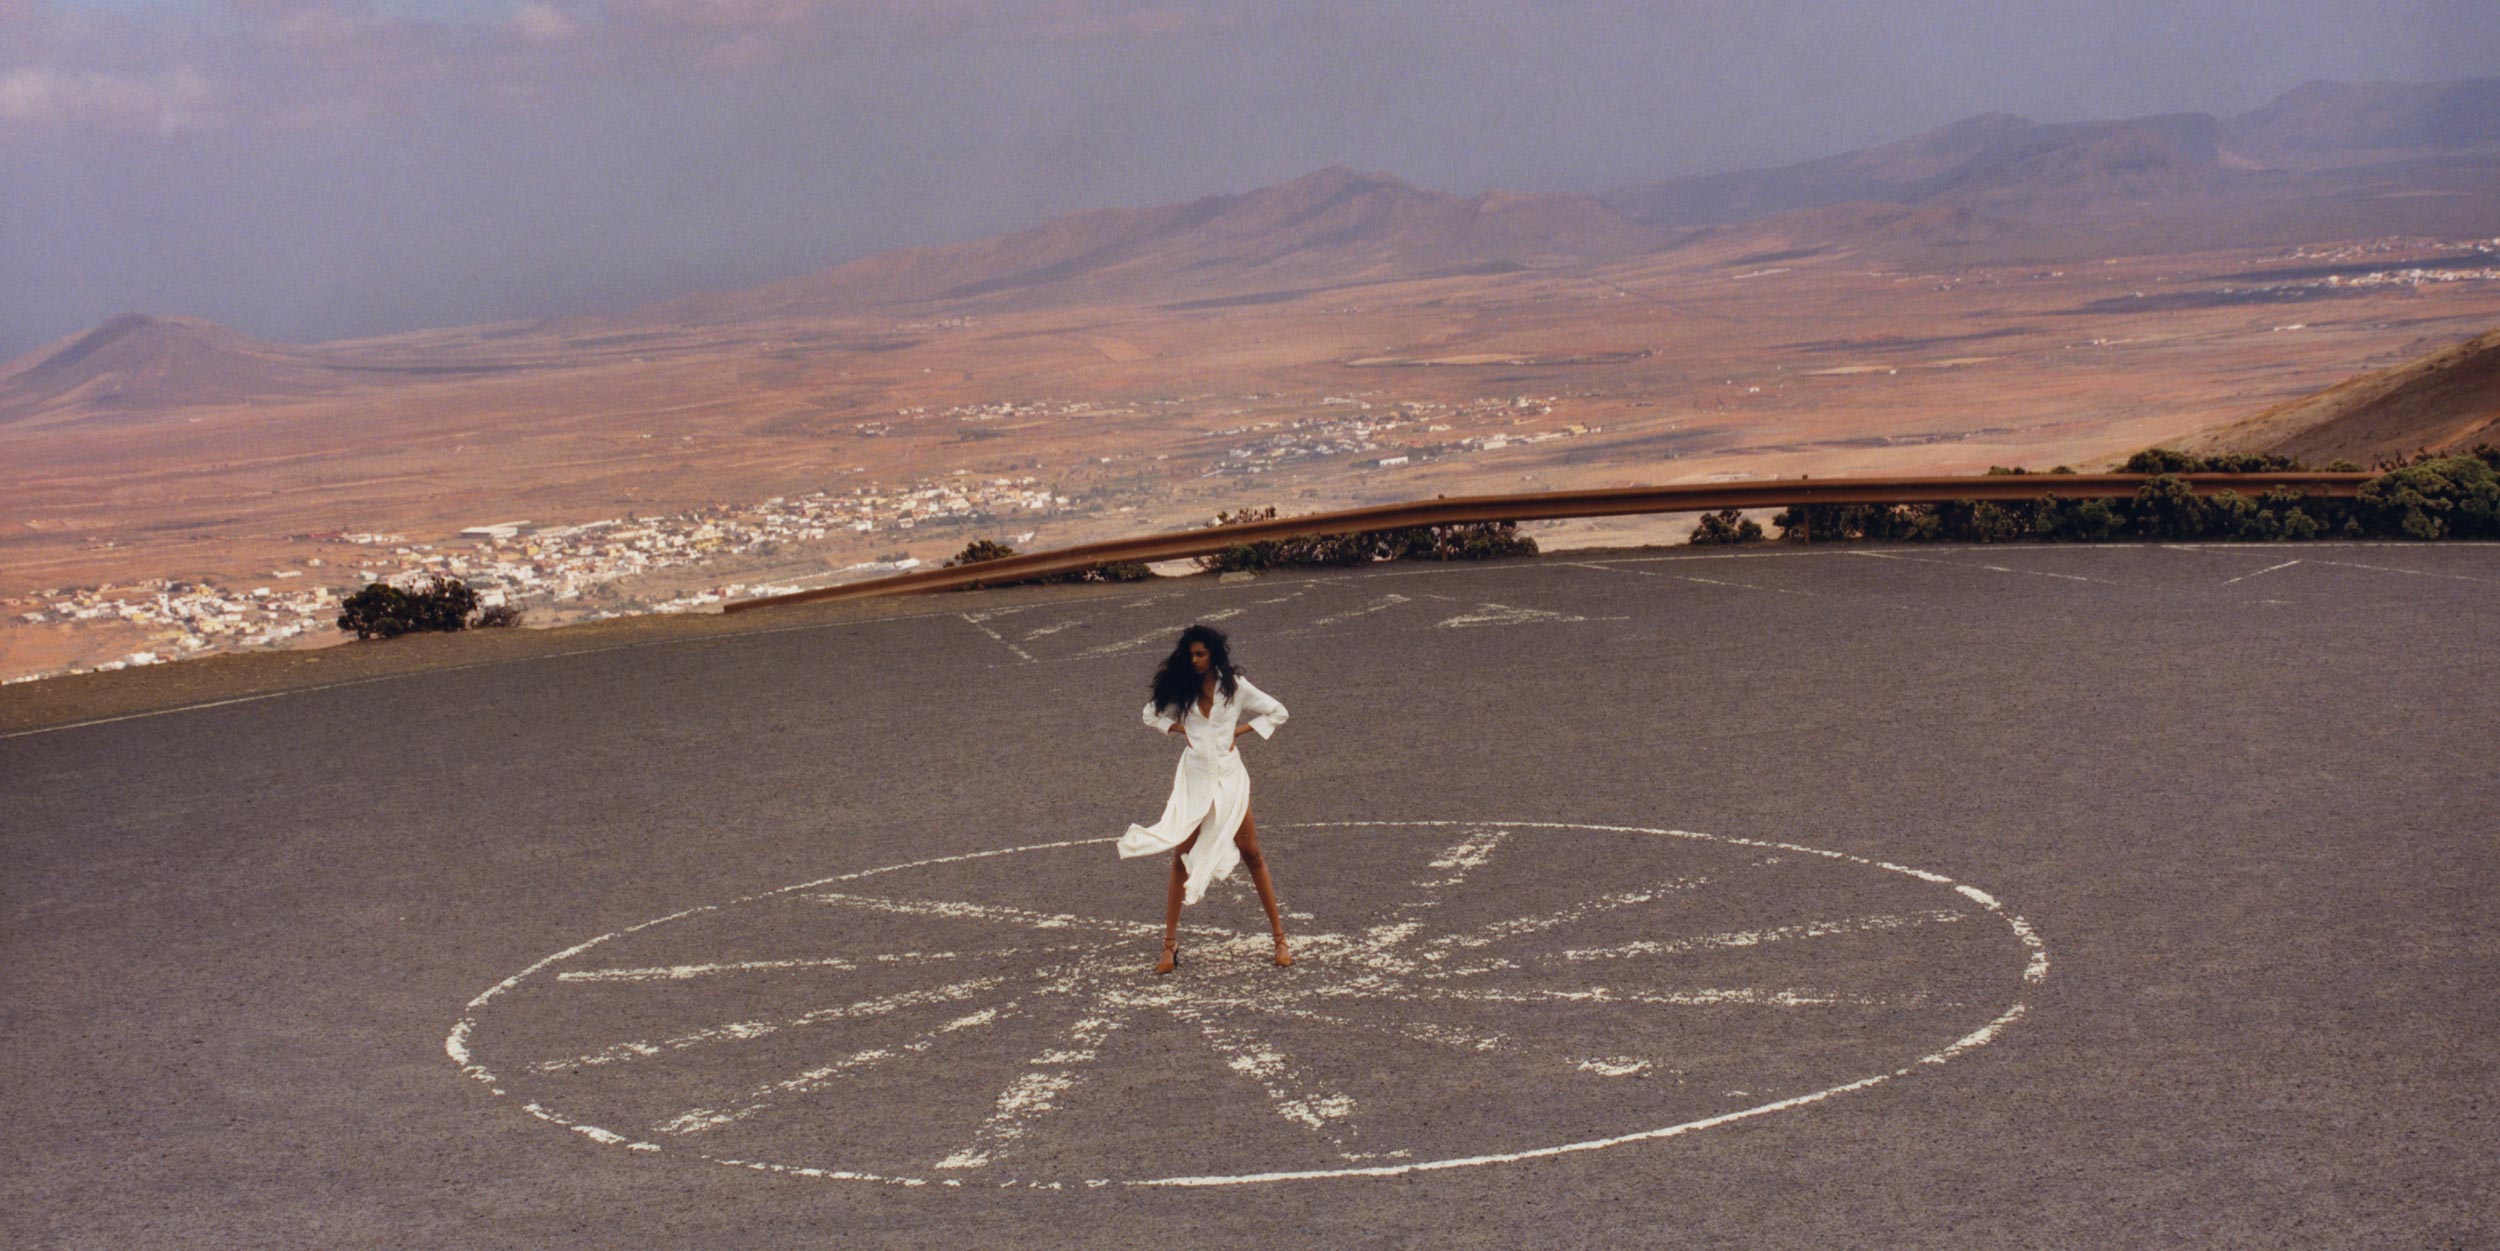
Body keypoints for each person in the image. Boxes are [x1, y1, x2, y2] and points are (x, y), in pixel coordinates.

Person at [1116, 623, 1292, 974]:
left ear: (1214, 655)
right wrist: (1178, 728)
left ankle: (1280, 938)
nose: (1195, 660)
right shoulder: (1181, 687)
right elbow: (1150, 714)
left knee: (1252, 853)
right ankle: (1169, 945)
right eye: (1191, 655)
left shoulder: (1235, 688)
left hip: (1229, 777)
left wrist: (1240, 731)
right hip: (1194, 780)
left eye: (1200, 654)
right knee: (1180, 856)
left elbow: (1278, 711)